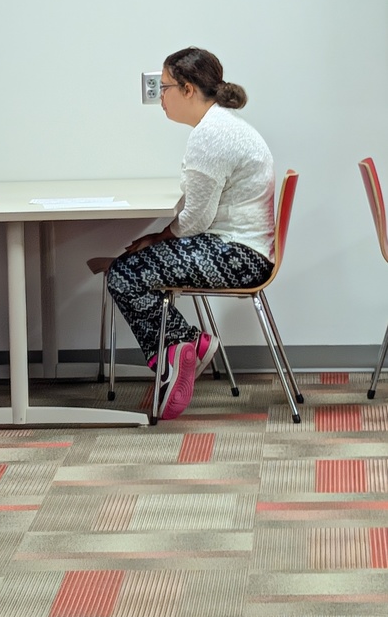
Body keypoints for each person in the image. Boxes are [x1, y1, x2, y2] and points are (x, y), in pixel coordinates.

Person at [107, 47, 275, 420]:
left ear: (186, 89)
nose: (160, 97)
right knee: (134, 266)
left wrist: (161, 236)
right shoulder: (221, 126)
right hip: (244, 249)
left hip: (239, 257)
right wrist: (162, 236)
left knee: (123, 273)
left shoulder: (210, 136)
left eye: (164, 88)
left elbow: (196, 220)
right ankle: (188, 345)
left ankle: (182, 347)